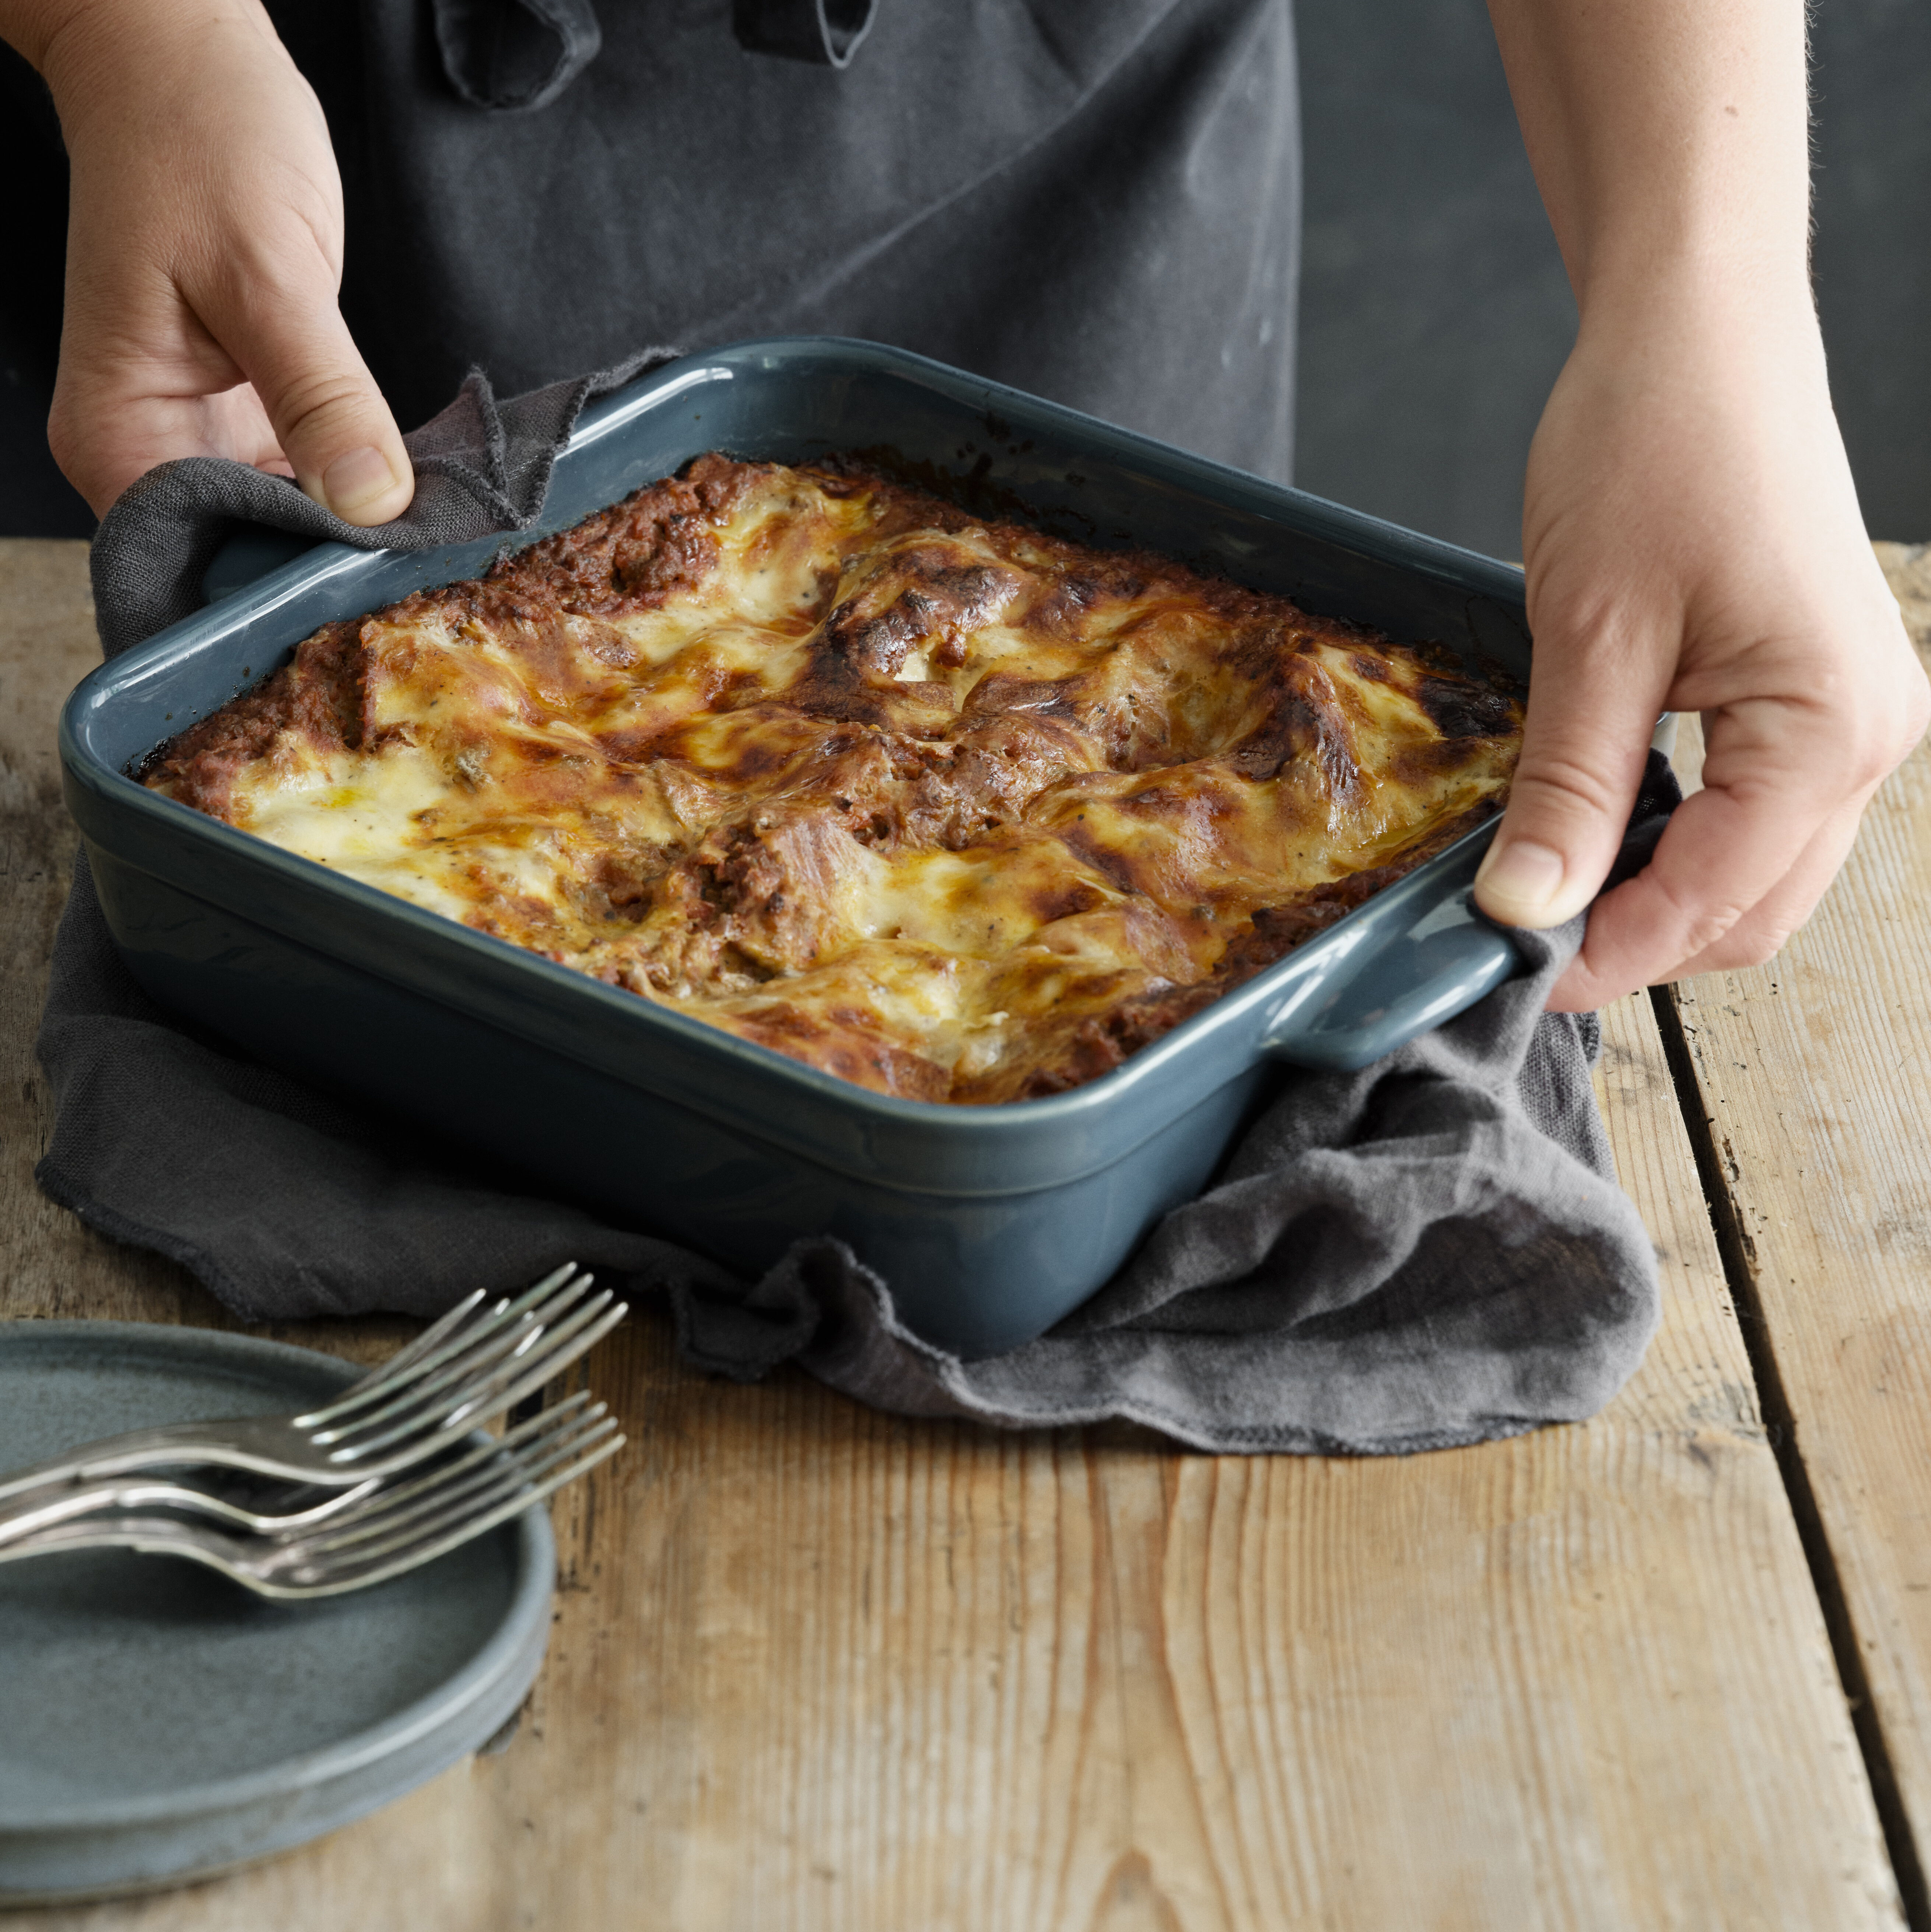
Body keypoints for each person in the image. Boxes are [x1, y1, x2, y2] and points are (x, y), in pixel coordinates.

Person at [4, 0, 1925, 1018]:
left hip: (1045, 156)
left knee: (1239, 794)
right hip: (248, 124)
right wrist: (120, 25)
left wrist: (1713, 293)